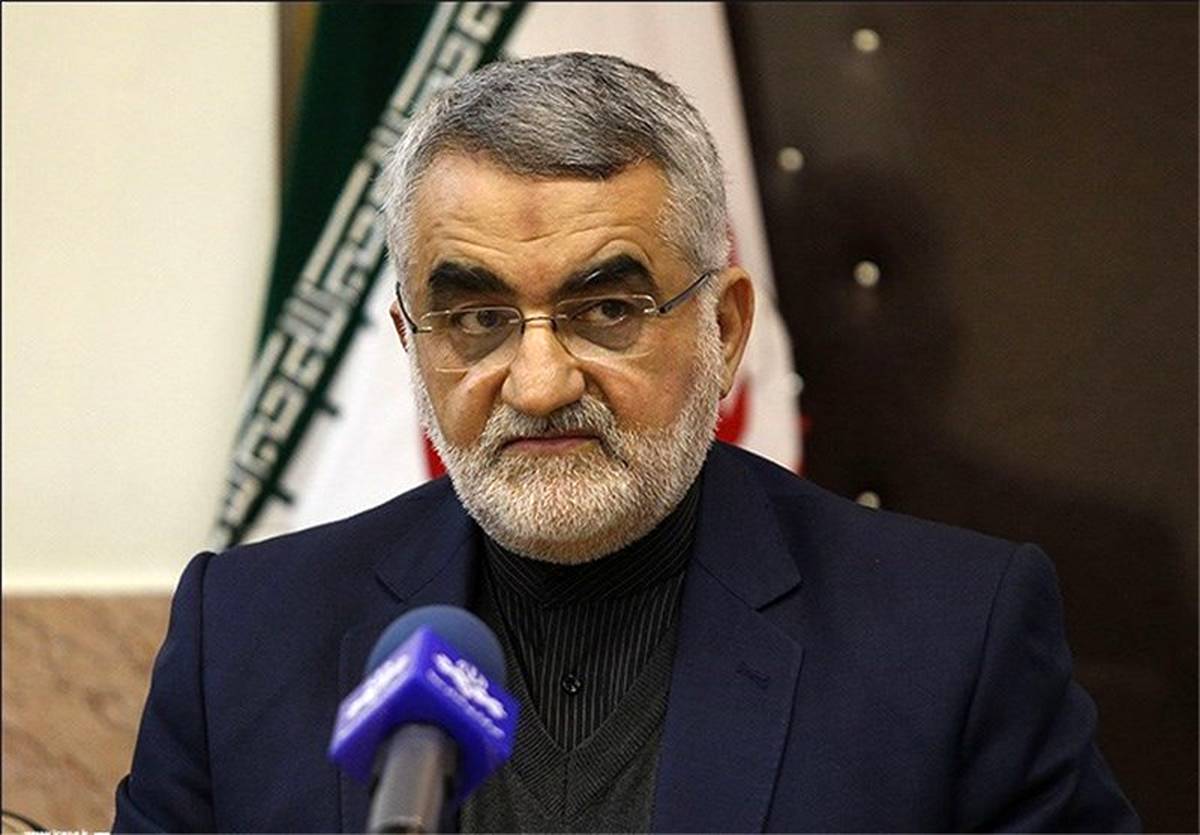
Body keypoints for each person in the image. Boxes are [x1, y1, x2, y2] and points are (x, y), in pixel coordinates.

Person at [113, 52, 1139, 833]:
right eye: (476, 320)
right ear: (410, 344)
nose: (540, 382)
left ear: (723, 329)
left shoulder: (951, 637)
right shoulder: (245, 636)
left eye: (607, 309)